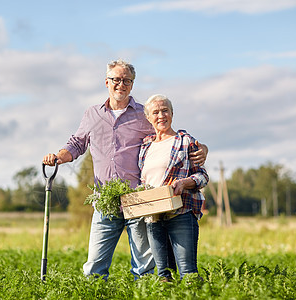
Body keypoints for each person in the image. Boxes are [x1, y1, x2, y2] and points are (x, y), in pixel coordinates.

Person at [42, 60, 208, 280]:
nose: (121, 84)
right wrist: (57, 157)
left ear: (132, 84)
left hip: (138, 200)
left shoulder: (143, 114)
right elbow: (77, 143)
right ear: (107, 82)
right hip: (105, 200)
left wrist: (202, 148)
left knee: (144, 266)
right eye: (116, 80)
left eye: (127, 80)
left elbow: (168, 135)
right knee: (94, 266)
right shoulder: (93, 114)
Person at [139, 94, 209, 281]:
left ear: (172, 114)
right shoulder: (145, 146)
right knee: (164, 275)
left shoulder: (185, 141)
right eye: (155, 112)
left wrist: (183, 183)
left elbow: (203, 176)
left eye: (165, 111)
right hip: (154, 217)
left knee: (188, 273)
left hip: (181, 213)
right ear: (148, 117)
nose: (161, 115)